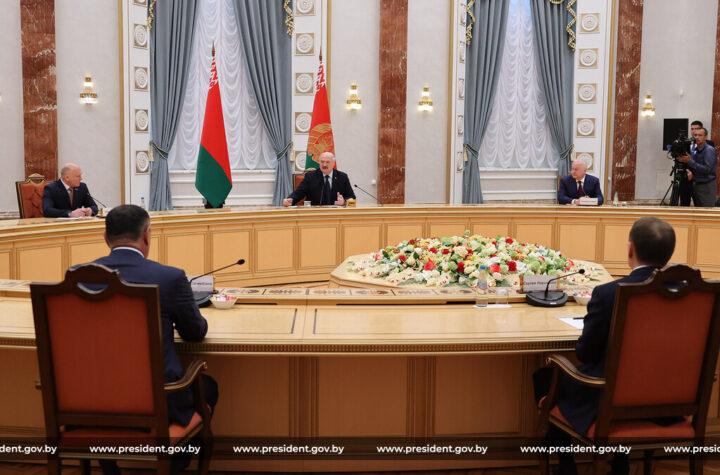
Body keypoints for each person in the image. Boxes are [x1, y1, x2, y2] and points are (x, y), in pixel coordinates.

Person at [535, 217, 676, 474]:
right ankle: (620, 463)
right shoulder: (690, 293)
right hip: (670, 401)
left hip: (608, 400)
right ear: (669, 253)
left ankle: (567, 467)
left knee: (547, 377)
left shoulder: (610, 293)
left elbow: (585, 354)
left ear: (630, 249)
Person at [93, 205, 218, 474]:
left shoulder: (80, 276)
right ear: (147, 235)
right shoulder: (169, 278)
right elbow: (195, 333)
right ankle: (173, 468)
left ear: (105, 237)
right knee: (207, 387)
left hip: (94, 401)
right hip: (158, 401)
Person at [282, 152, 355, 206]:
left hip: (336, 214)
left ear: (333, 163)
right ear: (319, 162)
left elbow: (351, 197)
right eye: (322, 162)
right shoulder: (310, 176)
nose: (324, 165)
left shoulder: (342, 177)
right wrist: (290, 200)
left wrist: (344, 202)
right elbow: (298, 193)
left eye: (327, 162)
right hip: (314, 214)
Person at [678, 127, 717, 207]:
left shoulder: (709, 150)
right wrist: (689, 171)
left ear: (705, 137)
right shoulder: (694, 149)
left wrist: (690, 161)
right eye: (695, 135)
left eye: (700, 135)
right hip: (697, 184)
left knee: (707, 211)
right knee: (698, 211)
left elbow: (708, 169)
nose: (697, 137)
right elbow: (695, 165)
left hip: (706, 186)